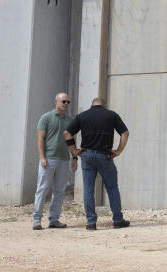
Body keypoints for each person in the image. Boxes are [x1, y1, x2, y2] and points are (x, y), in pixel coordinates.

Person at [64, 97, 130, 230]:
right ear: (104, 105)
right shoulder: (111, 115)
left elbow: (67, 133)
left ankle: (91, 222)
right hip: (104, 155)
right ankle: (117, 220)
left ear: (92, 105)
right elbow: (125, 133)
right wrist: (119, 150)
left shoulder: (82, 116)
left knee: (88, 189)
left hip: (87, 155)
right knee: (112, 188)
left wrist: (74, 150)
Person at [32, 92, 77, 230]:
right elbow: (40, 140)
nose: (66, 104)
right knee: (43, 188)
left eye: (68, 102)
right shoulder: (45, 118)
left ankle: (54, 219)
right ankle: (37, 220)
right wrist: (42, 157)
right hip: (49, 159)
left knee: (59, 191)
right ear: (56, 102)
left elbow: (72, 140)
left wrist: (74, 157)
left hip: (64, 160)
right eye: (64, 101)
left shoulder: (70, 121)